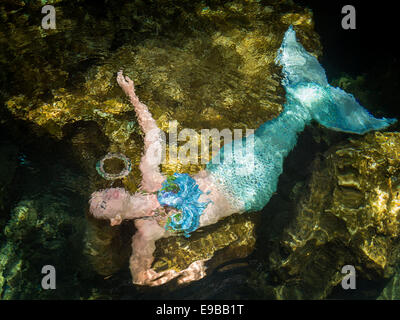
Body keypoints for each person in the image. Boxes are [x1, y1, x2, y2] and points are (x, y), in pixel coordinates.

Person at [89, 26, 396, 286]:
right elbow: (140, 277)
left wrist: (131, 95)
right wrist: (188, 272)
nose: (107, 192)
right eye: (103, 203)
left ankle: (308, 95)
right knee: (282, 131)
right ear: (116, 220)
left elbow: (152, 135)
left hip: (224, 166)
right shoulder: (145, 234)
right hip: (246, 192)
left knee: (276, 130)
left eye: (102, 191)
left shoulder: (149, 177)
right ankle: (317, 99)